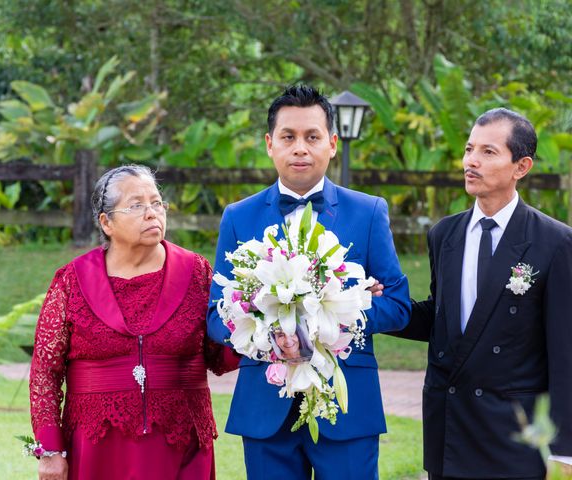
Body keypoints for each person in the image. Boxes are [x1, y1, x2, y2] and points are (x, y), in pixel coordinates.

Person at [207, 85, 410, 479]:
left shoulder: (368, 213)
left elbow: (398, 305)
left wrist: (341, 309)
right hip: (265, 406)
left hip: (348, 407)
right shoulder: (238, 216)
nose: (300, 148)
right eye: (288, 137)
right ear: (270, 144)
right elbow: (217, 317)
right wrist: (268, 332)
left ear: (332, 143)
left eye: (312, 137)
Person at [393, 108, 572, 479]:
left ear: (521, 167)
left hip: (514, 436)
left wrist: (565, 451)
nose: (470, 162)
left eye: (488, 152)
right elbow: (444, 320)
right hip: (449, 425)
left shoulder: (554, 242)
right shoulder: (444, 235)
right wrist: (375, 307)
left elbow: (565, 352)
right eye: (469, 149)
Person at [29, 165, 239, 480]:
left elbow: (218, 355)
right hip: (96, 448)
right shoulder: (72, 280)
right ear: (106, 222)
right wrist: (50, 449)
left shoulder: (196, 272)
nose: (152, 213)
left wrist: (262, 332)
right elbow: (46, 372)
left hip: (181, 443)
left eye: (157, 203)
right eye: (136, 205)